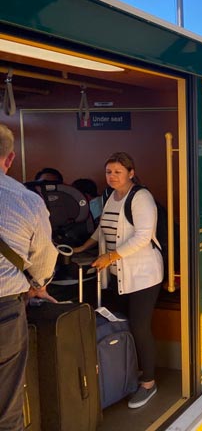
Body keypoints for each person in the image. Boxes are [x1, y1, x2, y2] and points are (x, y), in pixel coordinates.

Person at [73, 152, 162, 409]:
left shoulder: (141, 197)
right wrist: (82, 248)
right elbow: (103, 227)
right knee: (126, 324)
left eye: (118, 172)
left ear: (131, 173)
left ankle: (149, 383)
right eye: (109, 172)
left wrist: (110, 256)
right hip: (119, 274)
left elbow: (143, 236)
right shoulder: (110, 195)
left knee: (140, 328)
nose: (112, 177)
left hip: (143, 275)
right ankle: (132, 372)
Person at [0, 124, 58, 430]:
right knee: (6, 407)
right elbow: (44, 260)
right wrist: (36, 285)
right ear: (10, 159)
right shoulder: (27, 200)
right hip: (5, 312)